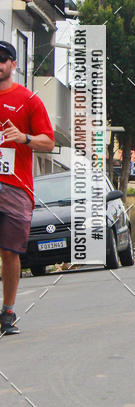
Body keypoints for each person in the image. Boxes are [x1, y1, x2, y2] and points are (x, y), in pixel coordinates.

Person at [0, 41, 54, 335]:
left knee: (9, 252)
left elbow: (48, 141)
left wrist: (24, 138)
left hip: (16, 188)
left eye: (3, 58)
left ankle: (8, 310)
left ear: (13, 64)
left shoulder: (28, 100)